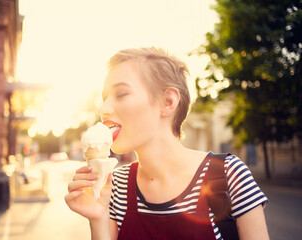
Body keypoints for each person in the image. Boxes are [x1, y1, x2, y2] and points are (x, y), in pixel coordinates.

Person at [65, 47, 269, 240]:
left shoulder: (229, 175)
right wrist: (98, 219)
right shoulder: (115, 186)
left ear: (168, 102)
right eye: (105, 97)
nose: (102, 108)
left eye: (121, 94)